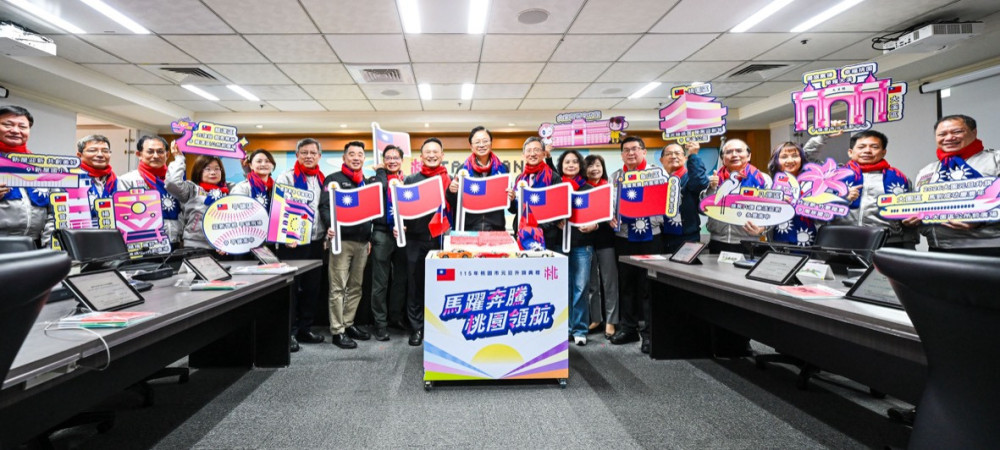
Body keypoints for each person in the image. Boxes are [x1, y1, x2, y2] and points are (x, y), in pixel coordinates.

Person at [907, 114, 1000, 255]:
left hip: (989, 247)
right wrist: (912, 217)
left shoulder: (996, 161)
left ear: (974, 132)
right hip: (938, 249)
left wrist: (983, 218)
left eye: (957, 132)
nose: (949, 138)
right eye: (942, 134)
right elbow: (919, 205)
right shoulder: (927, 171)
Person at [609, 136, 663, 354]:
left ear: (644, 151)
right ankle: (629, 328)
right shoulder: (615, 177)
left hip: (651, 237)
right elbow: (609, 203)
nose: (630, 153)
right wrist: (609, 217)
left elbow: (666, 202)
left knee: (648, 286)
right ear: (622, 154)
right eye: (626, 150)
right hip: (623, 237)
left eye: (635, 149)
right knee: (626, 284)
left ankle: (650, 333)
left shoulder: (656, 174)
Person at [273, 138, 328, 351]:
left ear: (319, 156)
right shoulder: (286, 177)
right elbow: (279, 208)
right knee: (292, 289)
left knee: (312, 288)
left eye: (313, 153)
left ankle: (305, 328)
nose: (308, 156)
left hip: (316, 242)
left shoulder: (323, 179)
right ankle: (289, 332)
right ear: (297, 155)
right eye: (304, 152)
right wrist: (286, 236)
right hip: (293, 244)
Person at [398, 138, 454, 346]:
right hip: (415, 239)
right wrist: (401, 224)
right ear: (421, 156)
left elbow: (456, 208)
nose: (431, 155)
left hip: (441, 240)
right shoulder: (411, 180)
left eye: (435, 152)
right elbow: (402, 207)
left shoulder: (450, 180)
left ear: (442, 155)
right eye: (427, 152)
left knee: (441, 286)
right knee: (415, 285)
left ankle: (439, 328)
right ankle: (417, 328)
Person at [318, 141, 374, 349]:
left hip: (362, 243)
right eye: (352, 154)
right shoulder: (333, 180)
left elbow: (370, 212)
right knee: (337, 287)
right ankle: (337, 330)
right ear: (344, 157)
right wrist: (330, 226)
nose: (356, 157)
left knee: (356, 287)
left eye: (360, 154)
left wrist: (369, 237)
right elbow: (325, 207)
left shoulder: (365, 183)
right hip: (341, 242)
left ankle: (348, 324)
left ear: (364, 158)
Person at [832, 130, 917, 248]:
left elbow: (911, 215)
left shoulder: (900, 179)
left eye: (874, 147)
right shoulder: (834, 178)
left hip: (888, 242)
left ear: (883, 152)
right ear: (850, 152)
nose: (867, 151)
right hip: (842, 240)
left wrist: (909, 241)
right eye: (861, 147)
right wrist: (842, 199)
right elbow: (819, 210)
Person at [703, 138, 772, 253]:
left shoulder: (762, 179)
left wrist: (763, 228)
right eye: (729, 152)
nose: (734, 155)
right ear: (723, 158)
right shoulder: (713, 179)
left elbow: (774, 209)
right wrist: (712, 188)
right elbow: (703, 208)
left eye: (739, 151)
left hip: (751, 242)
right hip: (718, 242)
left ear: (749, 156)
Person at [557, 149, 597, 345]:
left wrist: (594, 225)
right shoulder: (555, 188)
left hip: (583, 244)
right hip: (559, 244)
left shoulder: (588, 188)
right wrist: (555, 220)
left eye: (574, 161)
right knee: (562, 288)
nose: (571, 165)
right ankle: (564, 328)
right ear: (561, 166)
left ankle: (580, 329)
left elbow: (599, 217)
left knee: (581, 287)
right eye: (567, 162)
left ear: (580, 165)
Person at [0, 105, 55, 248]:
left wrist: (49, 245)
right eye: (7, 125)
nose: (15, 130)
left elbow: (54, 209)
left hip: (34, 245)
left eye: (22, 126)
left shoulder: (40, 165)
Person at [368, 145, 408, 341]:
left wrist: (405, 226)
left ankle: (396, 317)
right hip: (382, 234)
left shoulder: (407, 181)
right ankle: (380, 323)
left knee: (400, 280)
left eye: (396, 158)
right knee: (380, 282)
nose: (392, 161)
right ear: (383, 161)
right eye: (388, 158)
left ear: (402, 160)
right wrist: (381, 172)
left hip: (402, 234)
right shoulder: (375, 180)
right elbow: (379, 190)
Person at [165, 143, 232, 250]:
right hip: (195, 245)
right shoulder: (192, 189)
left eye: (217, 169)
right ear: (199, 171)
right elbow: (172, 183)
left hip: (225, 246)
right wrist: (179, 158)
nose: (213, 172)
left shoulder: (229, 189)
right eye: (208, 169)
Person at [119, 135, 183, 247]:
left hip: (175, 242)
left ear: (167, 155)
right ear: (139, 154)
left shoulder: (175, 181)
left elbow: (184, 211)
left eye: (160, 152)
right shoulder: (127, 180)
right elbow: (124, 216)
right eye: (150, 152)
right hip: (144, 244)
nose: (156, 156)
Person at [583, 154, 619, 339]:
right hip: (586, 241)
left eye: (597, 165)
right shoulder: (581, 189)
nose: (594, 169)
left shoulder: (611, 188)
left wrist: (598, 224)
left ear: (602, 167)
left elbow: (613, 216)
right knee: (592, 283)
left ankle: (611, 321)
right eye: (590, 166)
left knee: (609, 282)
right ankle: (596, 318)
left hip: (606, 240)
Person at [449, 126, 511, 231]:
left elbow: (510, 206)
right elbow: (454, 203)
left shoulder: (503, 169)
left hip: (495, 229)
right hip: (469, 229)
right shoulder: (462, 170)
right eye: (477, 142)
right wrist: (451, 191)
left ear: (491, 144)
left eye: (485, 141)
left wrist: (511, 198)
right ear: (471, 146)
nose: (481, 145)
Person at [760, 142, 819, 246]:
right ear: (776, 160)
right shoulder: (769, 184)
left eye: (795, 156)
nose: (790, 160)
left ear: (801, 159)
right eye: (784, 157)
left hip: (809, 240)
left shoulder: (813, 183)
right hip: (779, 241)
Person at [659, 142, 709, 253]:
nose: (673, 156)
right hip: (661, 237)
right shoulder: (658, 180)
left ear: (685, 158)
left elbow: (700, 183)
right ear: (661, 160)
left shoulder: (691, 177)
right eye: (669, 154)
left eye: (678, 153)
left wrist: (693, 156)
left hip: (688, 236)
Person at [512, 136, 559, 250]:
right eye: (529, 150)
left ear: (543, 154)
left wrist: (538, 226)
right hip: (521, 233)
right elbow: (513, 210)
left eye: (536, 150)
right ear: (523, 155)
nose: (532, 154)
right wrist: (512, 199)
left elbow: (558, 209)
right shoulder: (519, 178)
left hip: (546, 236)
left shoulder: (553, 177)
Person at [75, 135, 119, 215]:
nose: (100, 155)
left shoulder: (116, 180)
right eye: (92, 150)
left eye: (105, 151)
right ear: (79, 155)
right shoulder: (72, 180)